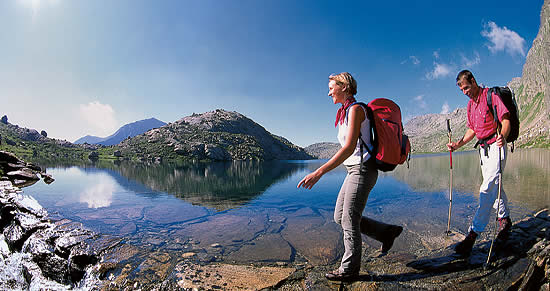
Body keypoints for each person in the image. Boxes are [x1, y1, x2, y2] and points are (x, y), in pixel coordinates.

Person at [297, 72, 403, 281]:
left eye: (331, 88)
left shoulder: (356, 109)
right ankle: (385, 232)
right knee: (340, 217)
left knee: (349, 219)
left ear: (344, 87)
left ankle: (349, 269)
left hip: (363, 170)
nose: (328, 93)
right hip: (353, 170)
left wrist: (319, 172)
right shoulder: (345, 112)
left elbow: (348, 149)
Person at [447, 70, 512, 255]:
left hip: (496, 145)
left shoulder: (490, 96)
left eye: (467, 87)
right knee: (495, 186)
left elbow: (505, 119)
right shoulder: (470, 106)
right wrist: (458, 144)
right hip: (483, 151)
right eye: (462, 90)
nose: (465, 92)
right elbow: (472, 129)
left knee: (487, 188)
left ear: (473, 81)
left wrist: (504, 137)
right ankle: (505, 220)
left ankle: (473, 234)